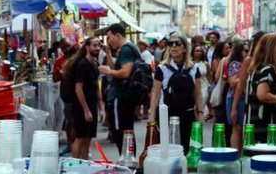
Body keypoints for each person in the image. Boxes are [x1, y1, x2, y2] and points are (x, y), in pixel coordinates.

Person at [148, 34, 204, 151]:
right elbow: (155, 93)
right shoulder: (162, 68)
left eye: (177, 43)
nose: (173, 46)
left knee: (187, 148)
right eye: (170, 44)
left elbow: (198, 93)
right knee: (167, 149)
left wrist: (200, 115)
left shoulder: (194, 68)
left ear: (184, 48)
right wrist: (152, 117)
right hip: (166, 113)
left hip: (187, 115)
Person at [99, 24, 141, 152]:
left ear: (118, 35)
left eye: (109, 37)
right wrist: (107, 53)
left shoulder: (126, 49)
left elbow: (125, 72)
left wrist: (108, 72)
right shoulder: (126, 49)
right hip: (123, 97)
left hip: (120, 98)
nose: (108, 41)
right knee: (124, 131)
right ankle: (128, 161)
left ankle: (127, 161)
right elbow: (117, 69)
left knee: (121, 132)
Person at [247, 33, 276, 143]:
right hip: (264, 122)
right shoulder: (268, 69)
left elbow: (271, 83)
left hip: (253, 121)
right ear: (273, 49)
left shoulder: (257, 67)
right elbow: (262, 94)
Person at [65, 37, 104, 159]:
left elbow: (96, 87)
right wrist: (86, 110)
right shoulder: (82, 64)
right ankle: (76, 166)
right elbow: (78, 88)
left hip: (92, 105)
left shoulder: (95, 64)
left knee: (88, 139)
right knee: (80, 138)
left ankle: (84, 165)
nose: (97, 48)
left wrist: (100, 107)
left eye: (99, 45)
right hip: (81, 106)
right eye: (94, 45)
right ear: (87, 47)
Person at [226, 41, 249, 149]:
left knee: (243, 128)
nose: (247, 53)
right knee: (236, 128)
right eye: (245, 51)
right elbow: (233, 82)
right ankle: (236, 154)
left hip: (244, 98)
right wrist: (244, 75)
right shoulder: (235, 64)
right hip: (234, 98)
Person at [192, 46, 211, 120]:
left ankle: (200, 122)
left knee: (200, 107)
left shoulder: (205, 64)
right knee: (193, 108)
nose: (198, 53)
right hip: (192, 88)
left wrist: (210, 87)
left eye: (200, 51)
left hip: (204, 87)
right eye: (196, 51)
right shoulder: (190, 63)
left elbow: (209, 76)